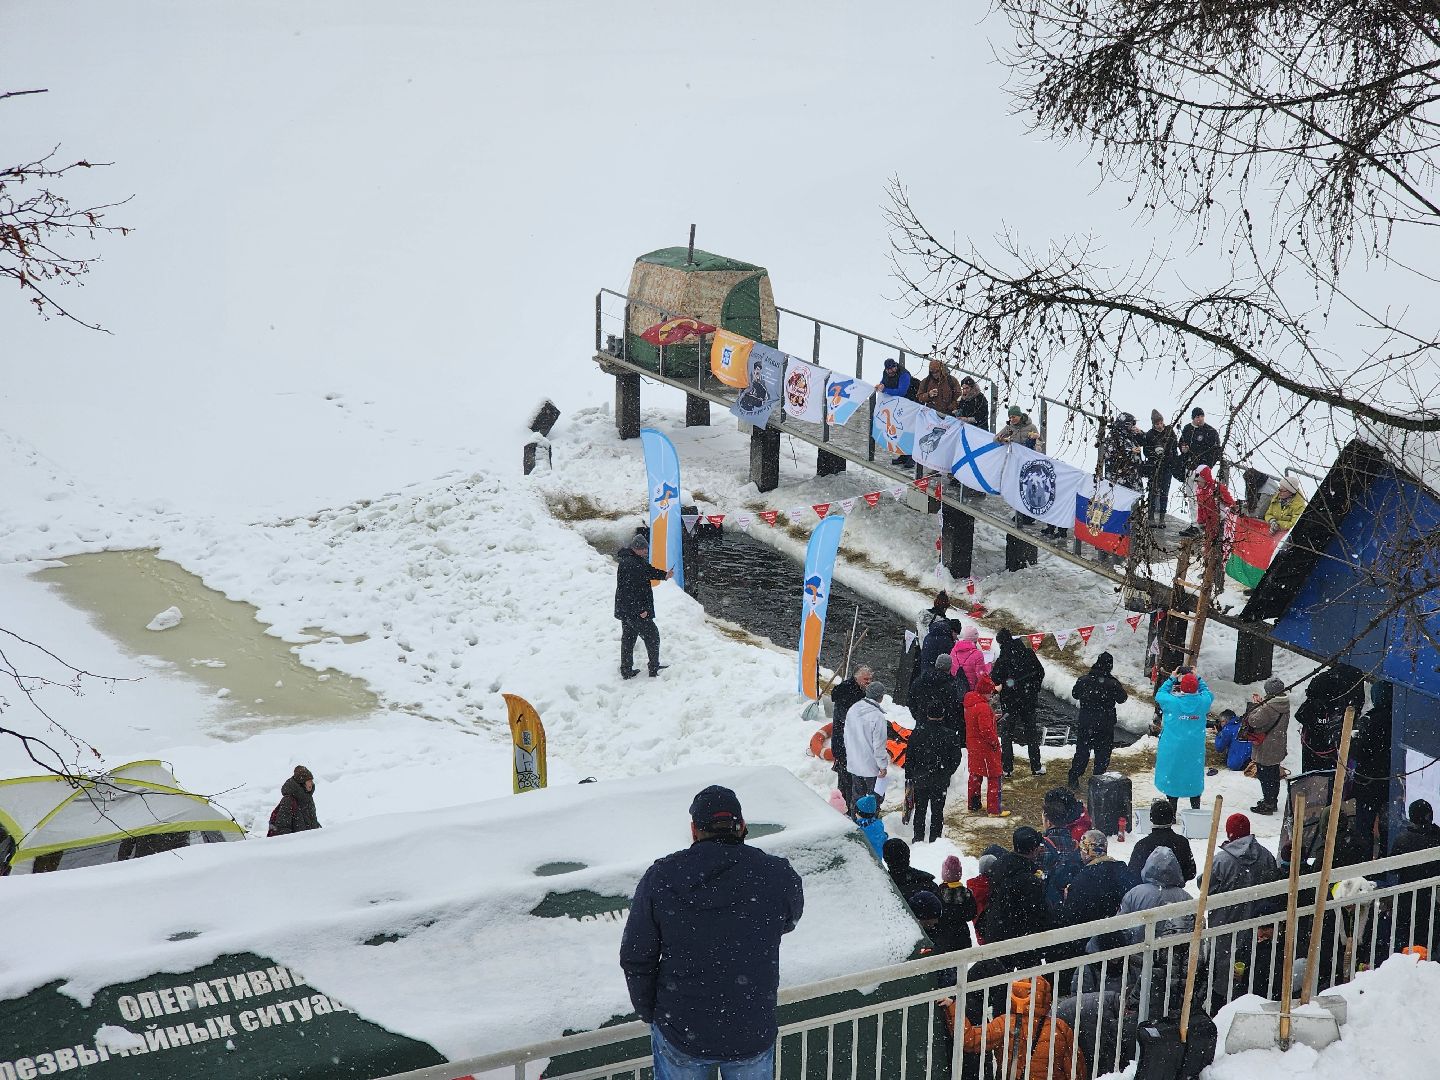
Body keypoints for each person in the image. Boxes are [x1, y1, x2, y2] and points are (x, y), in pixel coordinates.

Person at [620, 785, 804, 1079]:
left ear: (694, 829)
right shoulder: (777, 875)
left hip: (682, 1028)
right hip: (751, 1028)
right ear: (741, 826)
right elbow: (789, 921)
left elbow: (637, 956)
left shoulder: (662, 877)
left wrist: (650, 1012)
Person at [1207, 813, 1283, 1010]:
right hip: (1259, 928)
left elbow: (1205, 887)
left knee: (1225, 973)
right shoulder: (1266, 856)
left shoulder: (1221, 861)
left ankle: (1222, 1010)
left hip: (1226, 926)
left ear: (1229, 833)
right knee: (1255, 971)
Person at [958, 977, 1084, 1080]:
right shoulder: (1059, 1027)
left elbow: (970, 1039)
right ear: (1045, 997)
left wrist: (952, 1007)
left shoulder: (1005, 1023)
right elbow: (1075, 1068)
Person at [1062, 831, 1140, 960]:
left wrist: (1067, 898)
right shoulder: (1122, 870)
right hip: (1121, 937)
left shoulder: (1083, 879)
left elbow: (1072, 915)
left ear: (1086, 851)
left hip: (1092, 942)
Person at [905, 700, 965, 843]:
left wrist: (910, 775)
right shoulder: (950, 735)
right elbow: (956, 758)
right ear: (942, 715)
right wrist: (947, 772)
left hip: (921, 778)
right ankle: (935, 839)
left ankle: (918, 838)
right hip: (940, 779)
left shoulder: (917, 733)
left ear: (927, 714)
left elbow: (909, 756)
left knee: (920, 810)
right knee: (937, 811)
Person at [1153, 669, 1213, 812]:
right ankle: (1195, 809)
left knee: (1173, 775)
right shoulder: (1203, 702)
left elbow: (1160, 694)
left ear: (1181, 687)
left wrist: (1172, 678)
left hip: (1173, 746)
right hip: (1194, 748)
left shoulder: (1172, 702)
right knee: (1193, 775)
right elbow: (1208, 693)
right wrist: (1197, 677)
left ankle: (1172, 810)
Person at [615, 531, 671, 679]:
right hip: (635, 610)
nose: (646, 551)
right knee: (653, 636)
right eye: (643, 549)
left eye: (646, 548)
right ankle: (654, 668)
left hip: (625, 610)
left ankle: (626, 670)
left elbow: (648, 571)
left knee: (628, 639)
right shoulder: (632, 564)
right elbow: (631, 591)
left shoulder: (631, 560)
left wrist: (664, 575)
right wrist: (641, 610)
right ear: (635, 548)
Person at [1068, 651, 1128, 789]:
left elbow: (1075, 694)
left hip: (1086, 722)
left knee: (1082, 751)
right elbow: (1122, 698)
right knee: (1102, 754)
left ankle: (1074, 776)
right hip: (1105, 724)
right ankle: (1098, 780)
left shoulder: (1084, 680)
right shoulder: (1113, 684)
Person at [991, 628, 1046, 776]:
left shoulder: (1003, 659)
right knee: (1031, 733)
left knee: (1007, 734)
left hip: (1010, 702)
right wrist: (1033, 688)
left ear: (1001, 643)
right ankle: (1036, 766)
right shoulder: (1028, 653)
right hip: (1029, 700)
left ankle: (1007, 768)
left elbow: (995, 678)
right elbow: (1040, 672)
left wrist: (1006, 686)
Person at [1389, 800, 1440, 956]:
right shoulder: (1437, 838)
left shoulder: (1403, 840)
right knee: (1430, 941)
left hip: (1408, 901)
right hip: (1433, 900)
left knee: (1408, 944)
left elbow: (1392, 868)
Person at [1296, 664, 1366, 773]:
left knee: (1312, 775)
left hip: (1316, 744)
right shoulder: (1354, 679)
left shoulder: (1323, 681)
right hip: (1335, 745)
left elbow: (1302, 715)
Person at [1351, 682, 1393, 857]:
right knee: (1387, 826)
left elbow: (1359, 753)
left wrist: (1352, 742)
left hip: (1368, 783)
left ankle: (1364, 861)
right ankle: (1386, 858)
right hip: (1390, 782)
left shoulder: (1370, 721)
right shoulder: (1398, 717)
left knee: (1364, 826)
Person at [1239, 677, 1289, 814]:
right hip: (1278, 744)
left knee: (1265, 776)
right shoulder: (1284, 704)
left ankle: (1268, 804)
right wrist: (1263, 705)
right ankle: (1272, 801)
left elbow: (1253, 721)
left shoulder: (1269, 708)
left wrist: (1256, 707)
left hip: (1266, 746)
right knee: (1274, 774)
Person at [828, 665, 873, 811]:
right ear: (857, 677)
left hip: (848, 742)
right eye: (866, 679)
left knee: (848, 778)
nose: (869, 682)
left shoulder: (858, 690)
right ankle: (845, 807)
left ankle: (844, 806)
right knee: (847, 779)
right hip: (844, 743)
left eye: (870, 679)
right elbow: (846, 719)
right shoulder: (847, 692)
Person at [1127, 798, 1197, 883]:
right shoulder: (1182, 842)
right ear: (1172, 818)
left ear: (1151, 818)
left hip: (1147, 889)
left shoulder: (1142, 845)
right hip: (1176, 889)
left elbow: (1132, 873)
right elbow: (1191, 872)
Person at [843, 681, 890, 808]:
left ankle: (855, 817)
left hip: (854, 762)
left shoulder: (853, 709)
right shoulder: (878, 716)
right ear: (881, 697)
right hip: (871, 766)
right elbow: (879, 745)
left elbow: (846, 736)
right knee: (873, 801)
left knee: (857, 798)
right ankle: (870, 820)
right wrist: (882, 766)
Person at [1038, 789, 1086, 911]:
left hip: (1047, 904)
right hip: (1071, 903)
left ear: (1048, 822)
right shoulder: (1078, 845)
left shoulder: (1041, 847)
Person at [965, 675, 1006, 816]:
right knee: (994, 776)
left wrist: (992, 718)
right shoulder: (983, 707)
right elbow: (986, 731)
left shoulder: (971, 703)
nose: (991, 696)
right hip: (985, 748)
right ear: (984, 692)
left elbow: (976, 724)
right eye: (990, 693)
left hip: (974, 746)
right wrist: (995, 742)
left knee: (975, 775)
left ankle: (973, 804)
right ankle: (994, 810)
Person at [1175, 407, 1220, 527]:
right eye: (1197, 417)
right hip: (1189, 467)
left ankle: (1202, 522)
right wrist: (1183, 449)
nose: (1200, 419)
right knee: (1191, 496)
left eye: (1201, 416)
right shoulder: (1187, 429)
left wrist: (1207, 467)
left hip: (1202, 470)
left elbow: (1216, 451)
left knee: (1201, 496)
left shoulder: (1210, 431)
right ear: (1193, 418)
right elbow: (1181, 442)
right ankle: (1194, 523)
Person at [1180, 464, 1235, 542]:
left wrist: (1228, 515)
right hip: (1209, 522)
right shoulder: (1199, 490)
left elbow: (1230, 503)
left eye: (1199, 481)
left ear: (1205, 479)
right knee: (1209, 542)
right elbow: (1200, 507)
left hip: (1221, 521)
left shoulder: (1217, 488)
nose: (1197, 483)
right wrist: (1200, 522)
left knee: (1219, 542)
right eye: (1196, 481)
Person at [1142, 410, 1178, 528]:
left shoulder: (1169, 432)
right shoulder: (1150, 434)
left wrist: (1173, 462)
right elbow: (1146, 451)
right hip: (1154, 466)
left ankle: (1162, 518)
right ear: (1153, 424)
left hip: (1167, 466)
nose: (1160, 425)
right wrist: (1155, 454)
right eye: (1157, 423)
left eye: (1161, 423)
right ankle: (1151, 516)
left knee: (1164, 492)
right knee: (1152, 491)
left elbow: (1174, 448)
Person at [911, 653, 965, 730]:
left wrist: (919, 716)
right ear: (950, 667)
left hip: (922, 724)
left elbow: (911, 701)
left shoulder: (920, 681)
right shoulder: (952, 685)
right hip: (945, 727)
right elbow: (955, 708)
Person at [936, 856, 978, 955]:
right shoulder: (967, 893)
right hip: (962, 936)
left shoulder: (939, 892)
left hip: (944, 937)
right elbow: (971, 914)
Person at [267, 765, 321, 835]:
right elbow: (282, 829)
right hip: (297, 841)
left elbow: (313, 821)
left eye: (312, 781)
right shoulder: (288, 801)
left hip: (309, 839)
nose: (312, 783)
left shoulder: (308, 799)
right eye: (309, 781)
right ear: (302, 783)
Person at [1103, 412, 1145, 489]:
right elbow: (1110, 454)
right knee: (1120, 495)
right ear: (1124, 424)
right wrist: (1130, 451)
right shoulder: (1113, 436)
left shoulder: (1131, 434)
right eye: (1130, 424)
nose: (1132, 426)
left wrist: (1140, 433)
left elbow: (1145, 441)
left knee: (1135, 496)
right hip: (1119, 479)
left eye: (1133, 424)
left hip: (1134, 478)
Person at [949, 625, 991, 695]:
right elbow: (981, 676)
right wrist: (989, 666)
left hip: (956, 688)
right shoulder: (978, 654)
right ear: (975, 640)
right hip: (970, 691)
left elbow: (952, 670)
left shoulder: (954, 650)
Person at [852, 793, 889, 860]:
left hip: (869, 860)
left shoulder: (861, 830)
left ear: (861, 814)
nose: (855, 814)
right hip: (879, 858)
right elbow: (882, 837)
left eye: (856, 812)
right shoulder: (878, 823)